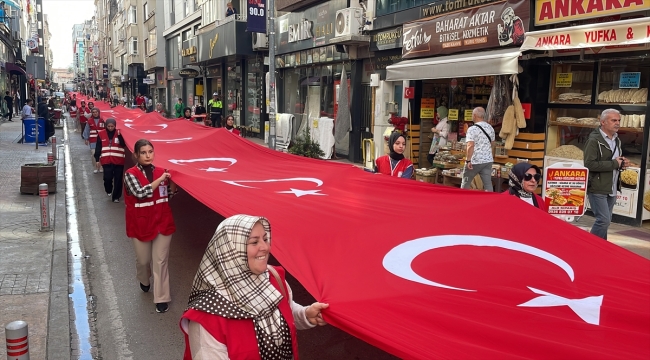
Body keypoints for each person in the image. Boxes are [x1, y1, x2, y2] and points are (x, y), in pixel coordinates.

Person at [179, 215, 329, 359]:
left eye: (265, 238)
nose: (265, 247)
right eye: (254, 242)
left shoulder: (273, 277)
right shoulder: (207, 317)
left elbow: (286, 310)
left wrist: (306, 314)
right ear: (231, 250)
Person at [123, 139, 177, 313]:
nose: (148, 155)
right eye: (144, 152)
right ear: (137, 155)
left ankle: (161, 298)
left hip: (163, 222)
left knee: (160, 261)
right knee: (144, 260)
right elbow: (141, 193)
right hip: (140, 224)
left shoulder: (162, 172)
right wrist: (161, 179)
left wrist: (173, 187)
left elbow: (167, 196)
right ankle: (144, 279)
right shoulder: (130, 174)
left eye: (150, 152)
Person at [584, 109, 628, 240]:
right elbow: (589, 164)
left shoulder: (617, 140)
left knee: (605, 221)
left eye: (619, 120)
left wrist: (622, 163)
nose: (617, 123)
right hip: (597, 186)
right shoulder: (594, 140)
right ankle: (590, 247)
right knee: (603, 220)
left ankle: (601, 250)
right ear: (602, 122)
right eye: (613, 120)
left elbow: (615, 161)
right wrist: (614, 164)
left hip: (612, 186)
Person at [461, 107, 495, 191]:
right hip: (487, 160)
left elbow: (470, 145)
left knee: (466, 182)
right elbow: (493, 144)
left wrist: (468, 160)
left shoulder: (472, 129)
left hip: (475, 160)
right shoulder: (490, 128)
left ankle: (461, 199)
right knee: (488, 184)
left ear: (475, 115)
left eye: (472, 115)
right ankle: (491, 200)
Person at [94, 118, 126, 203]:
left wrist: (119, 136)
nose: (110, 128)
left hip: (118, 160)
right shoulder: (101, 134)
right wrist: (97, 159)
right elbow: (98, 147)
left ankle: (116, 196)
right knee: (107, 178)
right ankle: (108, 189)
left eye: (112, 126)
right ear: (106, 126)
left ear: (115, 126)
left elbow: (123, 145)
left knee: (118, 179)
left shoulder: (120, 133)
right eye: (109, 126)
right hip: (106, 160)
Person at [83, 107, 106, 174]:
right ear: (92, 113)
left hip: (102, 140)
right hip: (93, 140)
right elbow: (87, 130)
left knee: (102, 154)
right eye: (93, 112)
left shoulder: (103, 120)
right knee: (93, 153)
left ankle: (101, 167)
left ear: (98, 112)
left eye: (96, 112)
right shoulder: (89, 121)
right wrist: (86, 139)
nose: (95, 113)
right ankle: (95, 167)